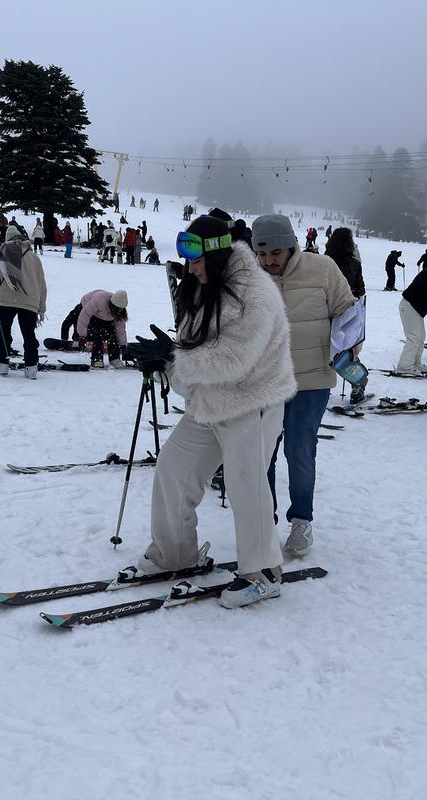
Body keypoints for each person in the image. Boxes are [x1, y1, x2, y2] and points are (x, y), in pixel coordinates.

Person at [120, 215, 297, 608]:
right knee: (173, 470)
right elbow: (195, 369)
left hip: (254, 404)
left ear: (215, 253)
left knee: (246, 484)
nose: (189, 263)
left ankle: (264, 572)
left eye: (195, 254)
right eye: (184, 251)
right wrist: (166, 364)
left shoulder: (255, 294)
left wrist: (173, 358)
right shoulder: (200, 287)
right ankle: (175, 554)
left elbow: (229, 362)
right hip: (210, 405)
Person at [251, 214, 360, 557]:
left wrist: (348, 349)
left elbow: (349, 313)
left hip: (311, 379)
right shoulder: (250, 277)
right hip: (265, 381)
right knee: (261, 453)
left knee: (299, 450)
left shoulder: (323, 268)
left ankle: (301, 522)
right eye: (262, 255)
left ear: (292, 245)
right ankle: (261, 521)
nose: (269, 262)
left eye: (275, 254)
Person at [0, 230, 46, 378]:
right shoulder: (35, 258)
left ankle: (2, 364)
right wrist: (41, 307)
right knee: (29, 335)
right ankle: (31, 366)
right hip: (30, 301)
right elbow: (42, 284)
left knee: (4, 332)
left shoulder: (7, 252)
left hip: (8, 299)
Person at [74, 289, 130, 367]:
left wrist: (122, 344)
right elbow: (84, 315)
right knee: (98, 334)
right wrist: (82, 335)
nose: (119, 311)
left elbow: (120, 329)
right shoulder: (99, 300)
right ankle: (97, 359)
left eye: (121, 309)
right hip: (91, 313)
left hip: (105, 316)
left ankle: (114, 359)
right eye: (118, 309)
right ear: (113, 305)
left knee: (112, 335)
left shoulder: (119, 310)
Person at [324, 227, 364, 299]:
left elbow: (361, 289)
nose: (352, 242)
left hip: (347, 307)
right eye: (350, 239)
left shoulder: (355, 264)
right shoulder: (324, 262)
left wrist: (352, 292)